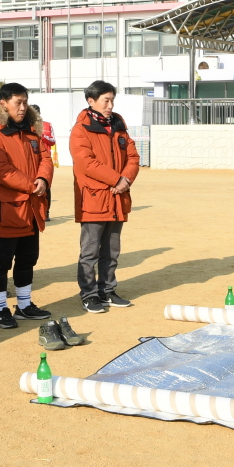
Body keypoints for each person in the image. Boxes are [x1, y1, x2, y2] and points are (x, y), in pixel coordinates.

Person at [0, 82, 54, 329]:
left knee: (27, 259)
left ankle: (24, 305)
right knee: (1, 262)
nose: (23, 108)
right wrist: (32, 185)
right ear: (3, 104)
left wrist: (43, 178)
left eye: (25, 102)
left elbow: (46, 157)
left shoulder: (31, 131)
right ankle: (0, 309)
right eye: (17, 103)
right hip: (7, 210)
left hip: (31, 209)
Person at [69, 79, 140, 313]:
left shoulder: (119, 126)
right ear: (91, 101)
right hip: (93, 198)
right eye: (105, 100)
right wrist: (115, 179)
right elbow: (86, 163)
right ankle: (89, 294)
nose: (110, 105)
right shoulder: (81, 129)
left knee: (112, 250)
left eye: (112, 100)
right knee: (89, 252)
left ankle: (107, 291)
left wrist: (126, 180)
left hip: (118, 198)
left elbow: (133, 157)